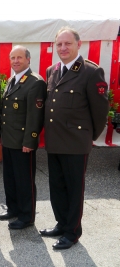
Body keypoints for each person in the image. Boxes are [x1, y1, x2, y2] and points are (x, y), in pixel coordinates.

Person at [41, 26, 109, 249]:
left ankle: (73, 231)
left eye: (67, 43)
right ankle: (61, 223)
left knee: (73, 189)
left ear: (79, 45)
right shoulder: (52, 70)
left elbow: (100, 112)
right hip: (55, 141)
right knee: (57, 187)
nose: (63, 48)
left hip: (76, 143)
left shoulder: (90, 72)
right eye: (59, 44)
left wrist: (88, 137)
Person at [0, 45, 47, 229]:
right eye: (13, 58)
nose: (16, 61)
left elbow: (35, 116)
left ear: (28, 59)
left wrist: (30, 141)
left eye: (20, 57)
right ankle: (13, 209)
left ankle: (27, 216)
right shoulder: (13, 79)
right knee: (10, 178)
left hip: (22, 143)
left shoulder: (35, 82)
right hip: (9, 140)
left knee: (24, 180)